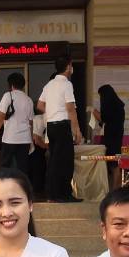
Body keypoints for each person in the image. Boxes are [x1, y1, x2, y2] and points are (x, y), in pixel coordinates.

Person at [37, 52, 82, 202]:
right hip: (62, 126)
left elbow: (40, 105)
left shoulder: (49, 85)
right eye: (71, 65)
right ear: (68, 67)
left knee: (54, 161)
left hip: (51, 126)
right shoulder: (67, 84)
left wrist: (52, 110)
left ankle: (52, 194)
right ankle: (64, 194)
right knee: (66, 162)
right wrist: (77, 130)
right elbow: (70, 109)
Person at [0, 73, 35, 175]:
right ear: (23, 85)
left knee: (5, 167)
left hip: (10, 138)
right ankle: (22, 185)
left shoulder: (8, 95)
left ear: (11, 85)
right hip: (25, 139)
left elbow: (1, 116)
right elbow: (30, 122)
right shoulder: (29, 100)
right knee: (23, 169)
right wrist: (31, 141)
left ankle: (5, 185)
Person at [96, 85, 126, 189]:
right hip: (116, 138)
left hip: (112, 139)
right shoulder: (118, 105)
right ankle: (114, 190)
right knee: (113, 166)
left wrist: (94, 112)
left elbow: (104, 119)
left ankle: (114, 190)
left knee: (114, 166)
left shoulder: (110, 106)